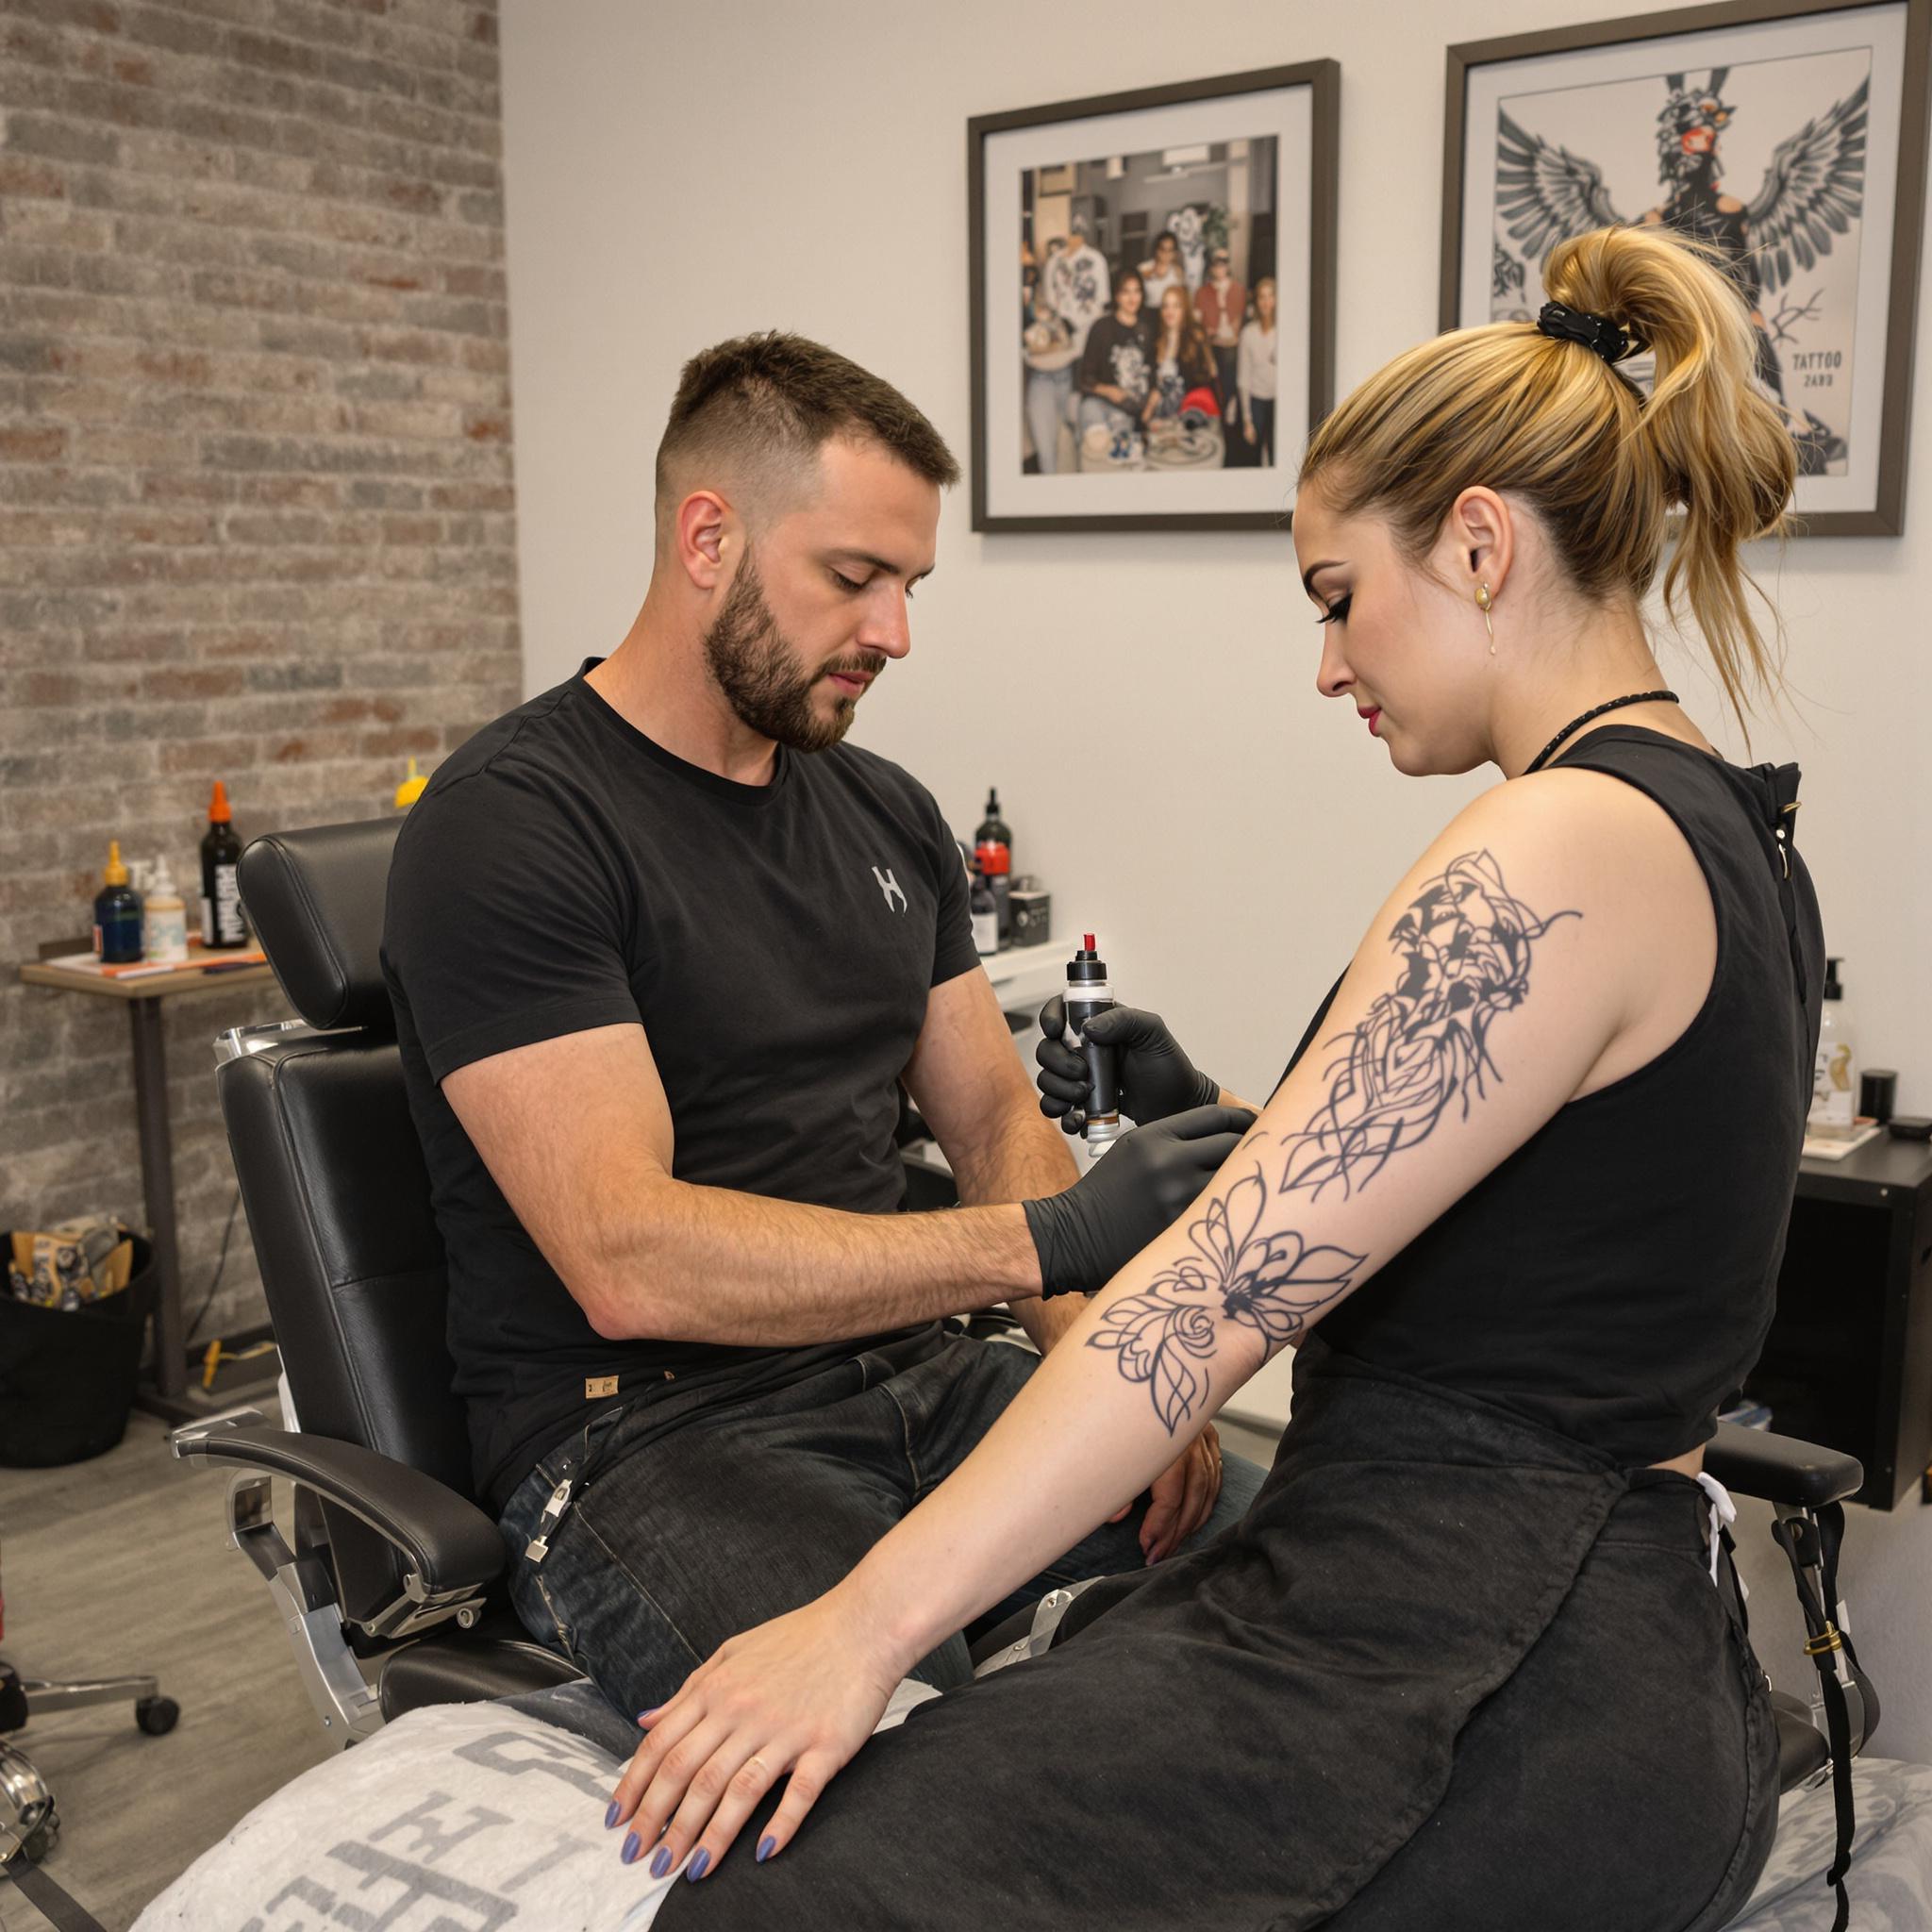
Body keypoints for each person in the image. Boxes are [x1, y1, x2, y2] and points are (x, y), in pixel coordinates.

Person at [599, 226, 1822, 1929]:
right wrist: (1282, 1107)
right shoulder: (1719, 817)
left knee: (770, 1904)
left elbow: (1209, 1298)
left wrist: (851, 1629)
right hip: (1584, 1629)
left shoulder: (1555, 841)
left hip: (1486, 1665)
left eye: (1336, 600)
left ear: (1476, 541)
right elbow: (1550, 1224)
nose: (1328, 665)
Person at [380, 332, 1265, 1727]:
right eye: (854, 578)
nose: (894, 633)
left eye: (908, 586)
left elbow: (989, 1124)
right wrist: (1052, 1244)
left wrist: (1110, 1363)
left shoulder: (885, 811)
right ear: (709, 538)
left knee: (1315, 1577)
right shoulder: (512, 830)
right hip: (648, 1442)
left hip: (915, 1375)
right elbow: (628, 1258)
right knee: (912, 1753)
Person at [1026, 218, 1110, 475]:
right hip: (1053, 365)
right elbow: (1051, 308)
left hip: (1083, 366)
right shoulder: (1053, 264)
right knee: (1050, 454)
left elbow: (1100, 308)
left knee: (1084, 445)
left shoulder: (1096, 261)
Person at [1075, 270, 1153, 442]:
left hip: (1132, 412)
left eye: (1137, 291)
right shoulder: (1101, 328)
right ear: (1116, 296)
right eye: (1126, 291)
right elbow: (1084, 379)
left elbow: (1151, 374)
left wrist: (1149, 409)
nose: (1132, 298)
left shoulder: (1146, 329)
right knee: (1097, 443)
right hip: (1100, 405)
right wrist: (1109, 390)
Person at [1140, 281, 1221, 429]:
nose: (1170, 311)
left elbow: (1200, 381)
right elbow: (1151, 382)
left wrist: (1160, 394)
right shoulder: (1157, 341)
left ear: (1184, 309)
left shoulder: (1195, 338)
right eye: (1166, 306)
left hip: (1188, 419)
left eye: (1176, 306)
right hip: (1158, 419)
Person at [1194, 246, 1246, 431]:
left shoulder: (1238, 290)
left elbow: (1240, 319)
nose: (1220, 268)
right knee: (1213, 376)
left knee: (1231, 371)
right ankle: (1219, 410)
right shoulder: (1202, 293)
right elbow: (1197, 323)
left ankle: (1230, 403)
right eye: (1216, 263)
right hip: (1212, 345)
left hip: (1232, 345)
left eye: (1224, 263)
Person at [1237, 273, 1279, 463]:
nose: (1266, 302)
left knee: (1277, 453)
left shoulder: (1284, 332)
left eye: (1270, 296)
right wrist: (1247, 419)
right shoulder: (1248, 333)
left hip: (1278, 400)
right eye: (1262, 296)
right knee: (1252, 454)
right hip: (1256, 400)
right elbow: (1243, 377)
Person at [1137, 228, 1185, 309]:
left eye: (1170, 250)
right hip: (1147, 312)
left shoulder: (1178, 273)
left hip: (1169, 313)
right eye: (1163, 249)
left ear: (1175, 253)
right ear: (1157, 250)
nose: (1166, 254)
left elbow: (1181, 301)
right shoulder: (1143, 268)